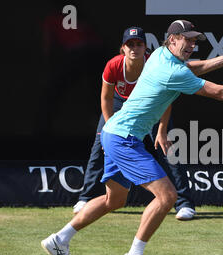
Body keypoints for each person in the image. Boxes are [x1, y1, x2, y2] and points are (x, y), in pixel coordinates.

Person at [41, 19, 223, 255]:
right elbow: (220, 92)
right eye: (187, 39)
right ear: (172, 40)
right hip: (125, 139)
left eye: (194, 40)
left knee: (115, 200)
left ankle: (59, 240)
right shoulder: (171, 70)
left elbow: (192, 67)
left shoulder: (157, 56)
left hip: (113, 133)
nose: (192, 45)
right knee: (167, 196)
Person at [73, 26, 197, 221]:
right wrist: (109, 127)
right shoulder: (113, 65)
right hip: (119, 106)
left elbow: (165, 100)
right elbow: (106, 98)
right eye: (130, 44)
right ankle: (85, 197)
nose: (134, 48)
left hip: (149, 107)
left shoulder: (155, 64)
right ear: (122, 48)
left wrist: (162, 130)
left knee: (168, 149)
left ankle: (185, 203)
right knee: (99, 147)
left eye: (139, 44)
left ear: (145, 48)